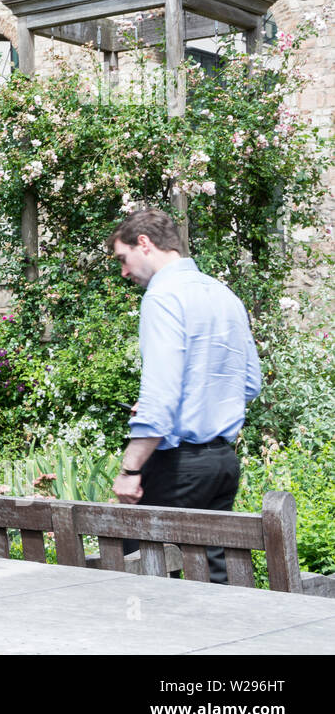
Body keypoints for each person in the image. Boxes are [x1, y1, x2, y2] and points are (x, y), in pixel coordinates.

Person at [107, 209, 262, 584]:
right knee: (213, 577)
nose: (124, 272)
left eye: (123, 259)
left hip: (178, 466)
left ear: (144, 243)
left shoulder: (162, 297)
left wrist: (130, 470)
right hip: (222, 463)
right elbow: (250, 384)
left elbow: (160, 398)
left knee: (142, 574)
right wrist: (197, 402)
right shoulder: (223, 294)